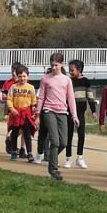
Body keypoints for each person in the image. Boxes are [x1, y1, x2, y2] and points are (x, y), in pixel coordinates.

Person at [38, 53, 74, 181]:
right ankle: (53, 170)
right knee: (55, 140)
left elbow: (70, 98)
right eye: (52, 65)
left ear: (61, 64)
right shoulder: (45, 79)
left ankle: (51, 159)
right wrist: (37, 114)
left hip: (62, 112)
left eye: (56, 65)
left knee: (63, 142)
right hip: (49, 111)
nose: (54, 68)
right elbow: (41, 96)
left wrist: (74, 115)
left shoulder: (67, 80)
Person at [4, 64, 39, 162]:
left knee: (27, 134)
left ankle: (29, 153)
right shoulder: (13, 87)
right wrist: (12, 109)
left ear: (28, 76)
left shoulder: (31, 87)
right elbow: (9, 99)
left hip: (26, 113)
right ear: (17, 76)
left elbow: (33, 101)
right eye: (20, 76)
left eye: (24, 76)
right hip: (16, 113)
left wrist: (33, 111)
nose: (22, 78)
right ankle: (14, 151)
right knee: (14, 133)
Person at [66, 60, 92, 170]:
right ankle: (68, 158)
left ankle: (80, 158)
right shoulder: (68, 81)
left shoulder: (86, 81)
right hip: (69, 112)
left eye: (72, 70)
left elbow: (90, 96)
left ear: (79, 69)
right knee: (69, 135)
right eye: (69, 70)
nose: (70, 72)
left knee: (81, 134)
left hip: (80, 112)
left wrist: (94, 111)